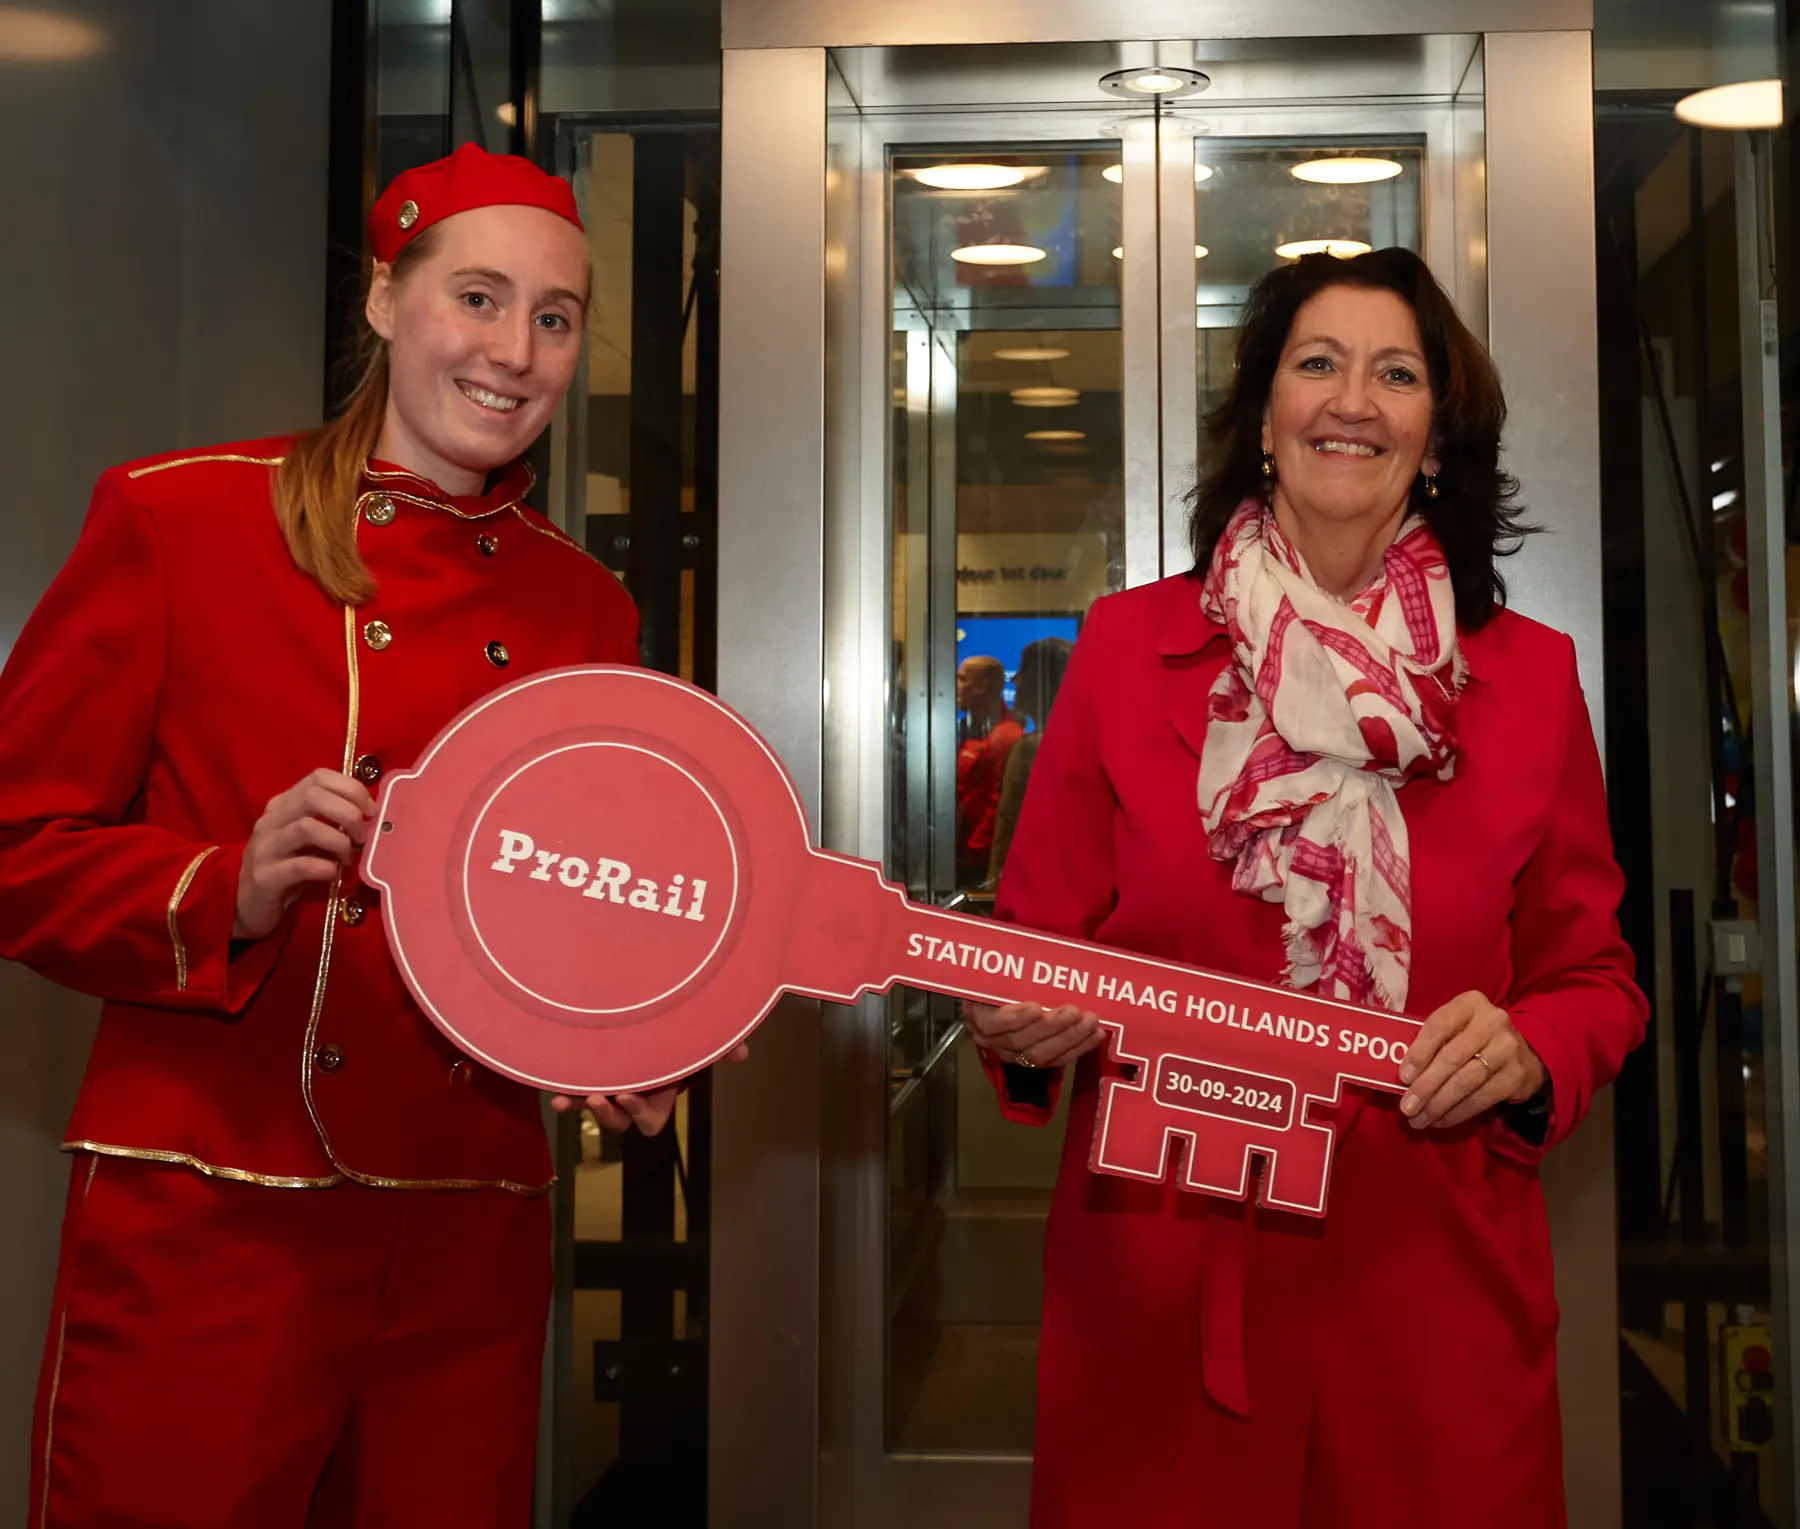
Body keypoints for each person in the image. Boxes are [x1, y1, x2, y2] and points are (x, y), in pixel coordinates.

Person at [0, 143, 736, 1527]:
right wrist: (227, 881)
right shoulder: (180, 516)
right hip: (214, 1216)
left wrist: (634, 1035)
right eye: (478, 297)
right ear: (384, 303)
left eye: (557, 318)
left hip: (471, 1227)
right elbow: (15, 845)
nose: (515, 351)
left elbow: (579, 913)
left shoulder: (590, 613)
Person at [964, 247, 1647, 1528]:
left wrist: (1529, 1046)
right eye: (1317, 363)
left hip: (1434, 1302)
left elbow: (1595, 979)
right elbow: (1032, 942)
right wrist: (1018, 1023)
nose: (1353, 399)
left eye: (1396, 374)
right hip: (1164, 1291)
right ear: (1264, 420)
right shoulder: (1125, 647)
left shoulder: (1535, 679)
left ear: (1435, 436)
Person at [986, 636, 1074, 884]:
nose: (1015, 681)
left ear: (1042, 682)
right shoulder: (1086, 742)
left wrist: (992, 894)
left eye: (1023, 671)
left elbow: (1007, 834)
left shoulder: (1032, 749)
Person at [954, 653, 1023, 884]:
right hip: (958, 856)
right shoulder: (965, 730)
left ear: (981, 686)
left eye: (962, 679)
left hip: (977, 867)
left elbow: (999, 807)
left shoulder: (1004, 737)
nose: (956, 687)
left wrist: (973, 856)